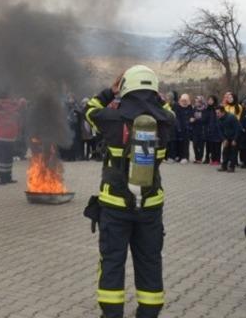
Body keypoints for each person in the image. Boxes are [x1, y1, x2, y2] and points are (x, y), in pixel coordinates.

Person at [83, 65, 171, 318]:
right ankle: (149, 311)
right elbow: (167, 108)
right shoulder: (165, 121)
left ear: (125, 87)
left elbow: (89, 109)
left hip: (116, 206)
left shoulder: (111, 119)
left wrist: (109, 92)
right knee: (149, 260)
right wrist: (158, 98)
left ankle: (111, 314)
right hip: (151, 205)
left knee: (112, 261)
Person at [0, 93, 23, 185]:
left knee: (1, 158)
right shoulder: (14, 107)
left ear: (0, 99)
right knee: (8, 158)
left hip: (0, 136)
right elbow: (19, 122)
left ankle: (1, 178)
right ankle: (8, 177)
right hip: (12, 137)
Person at [216, 106, 241, 173]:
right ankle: (224, 166)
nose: (217, 114)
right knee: (225, 151)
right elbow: (220, 131)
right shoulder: (219, 119)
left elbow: (237, 129)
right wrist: (224, 139)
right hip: (226, 137)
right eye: (216, 113)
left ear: (223, 112)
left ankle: (232, 167)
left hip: (234, 137)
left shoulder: (231, 117)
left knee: (233, 152)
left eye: (218, 113)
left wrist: (235, 139)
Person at [172, 94, 193, 164]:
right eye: (183, 100)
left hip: (186, 127)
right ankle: (179, 156)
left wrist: (192, 119)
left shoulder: (190, 107)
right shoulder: (177, 107)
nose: (184, 102)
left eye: (185, 100)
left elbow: (192, 115)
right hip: (178, 126)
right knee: (179, 142)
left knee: (185, 143)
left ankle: (185, 157)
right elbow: (175, 116)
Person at [205, 95, 222, 165]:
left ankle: (217, 160)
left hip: (217, 129)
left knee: (217, 146)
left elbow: (218, 118)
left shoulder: (217, 108)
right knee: (211, 146)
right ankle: (213, 159)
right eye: (208, 100)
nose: (209, 101)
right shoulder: (208, 109)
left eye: (211, 100)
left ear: (214, 101)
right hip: (209, 130)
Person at [190, 96, 208, 164]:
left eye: (197, 101)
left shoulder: (205, 109)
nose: (196, 103)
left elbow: (205, 119)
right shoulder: (194, 108)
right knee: (195, 144)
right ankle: (196, 157)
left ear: (201, 102)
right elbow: (191, 116)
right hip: (195, 129)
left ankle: (200, 158)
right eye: (195, 101)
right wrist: (191, 119)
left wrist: (195, 119)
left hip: (202, 129)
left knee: (201, 145)